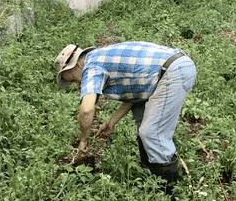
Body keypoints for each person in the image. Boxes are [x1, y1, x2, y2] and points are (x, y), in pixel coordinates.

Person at [54, 42, 196, 192]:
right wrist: (111, 122)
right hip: (170, 70)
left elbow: (87, 109)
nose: (76, 84)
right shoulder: (100, 57)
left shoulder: (90, 67)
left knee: (152, 132)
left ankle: (167, 195)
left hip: (173, 72)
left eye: (71, 79)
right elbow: (134, 94)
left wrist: (83, 140)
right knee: (143, 126)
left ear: (74, 66)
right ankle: (152, 177)